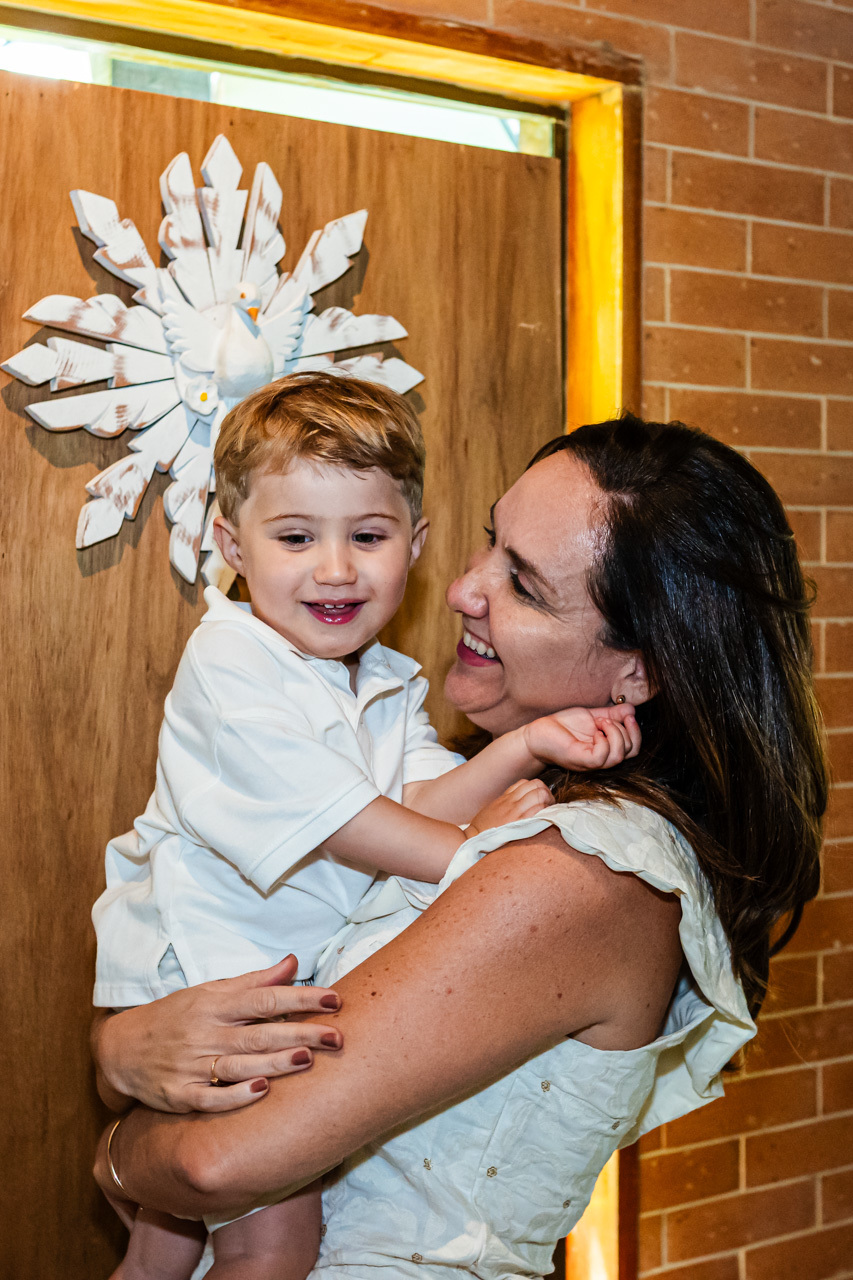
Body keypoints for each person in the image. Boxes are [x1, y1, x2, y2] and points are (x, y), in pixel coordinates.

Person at [92, 414, 827, 1280]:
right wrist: (124, 1051)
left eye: (523, 586)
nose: (462, 590)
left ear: (638, 669)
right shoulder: (497, 794)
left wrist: (113, 1150)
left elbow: (211, 1163)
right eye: (489, 543)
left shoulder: (580, 869)